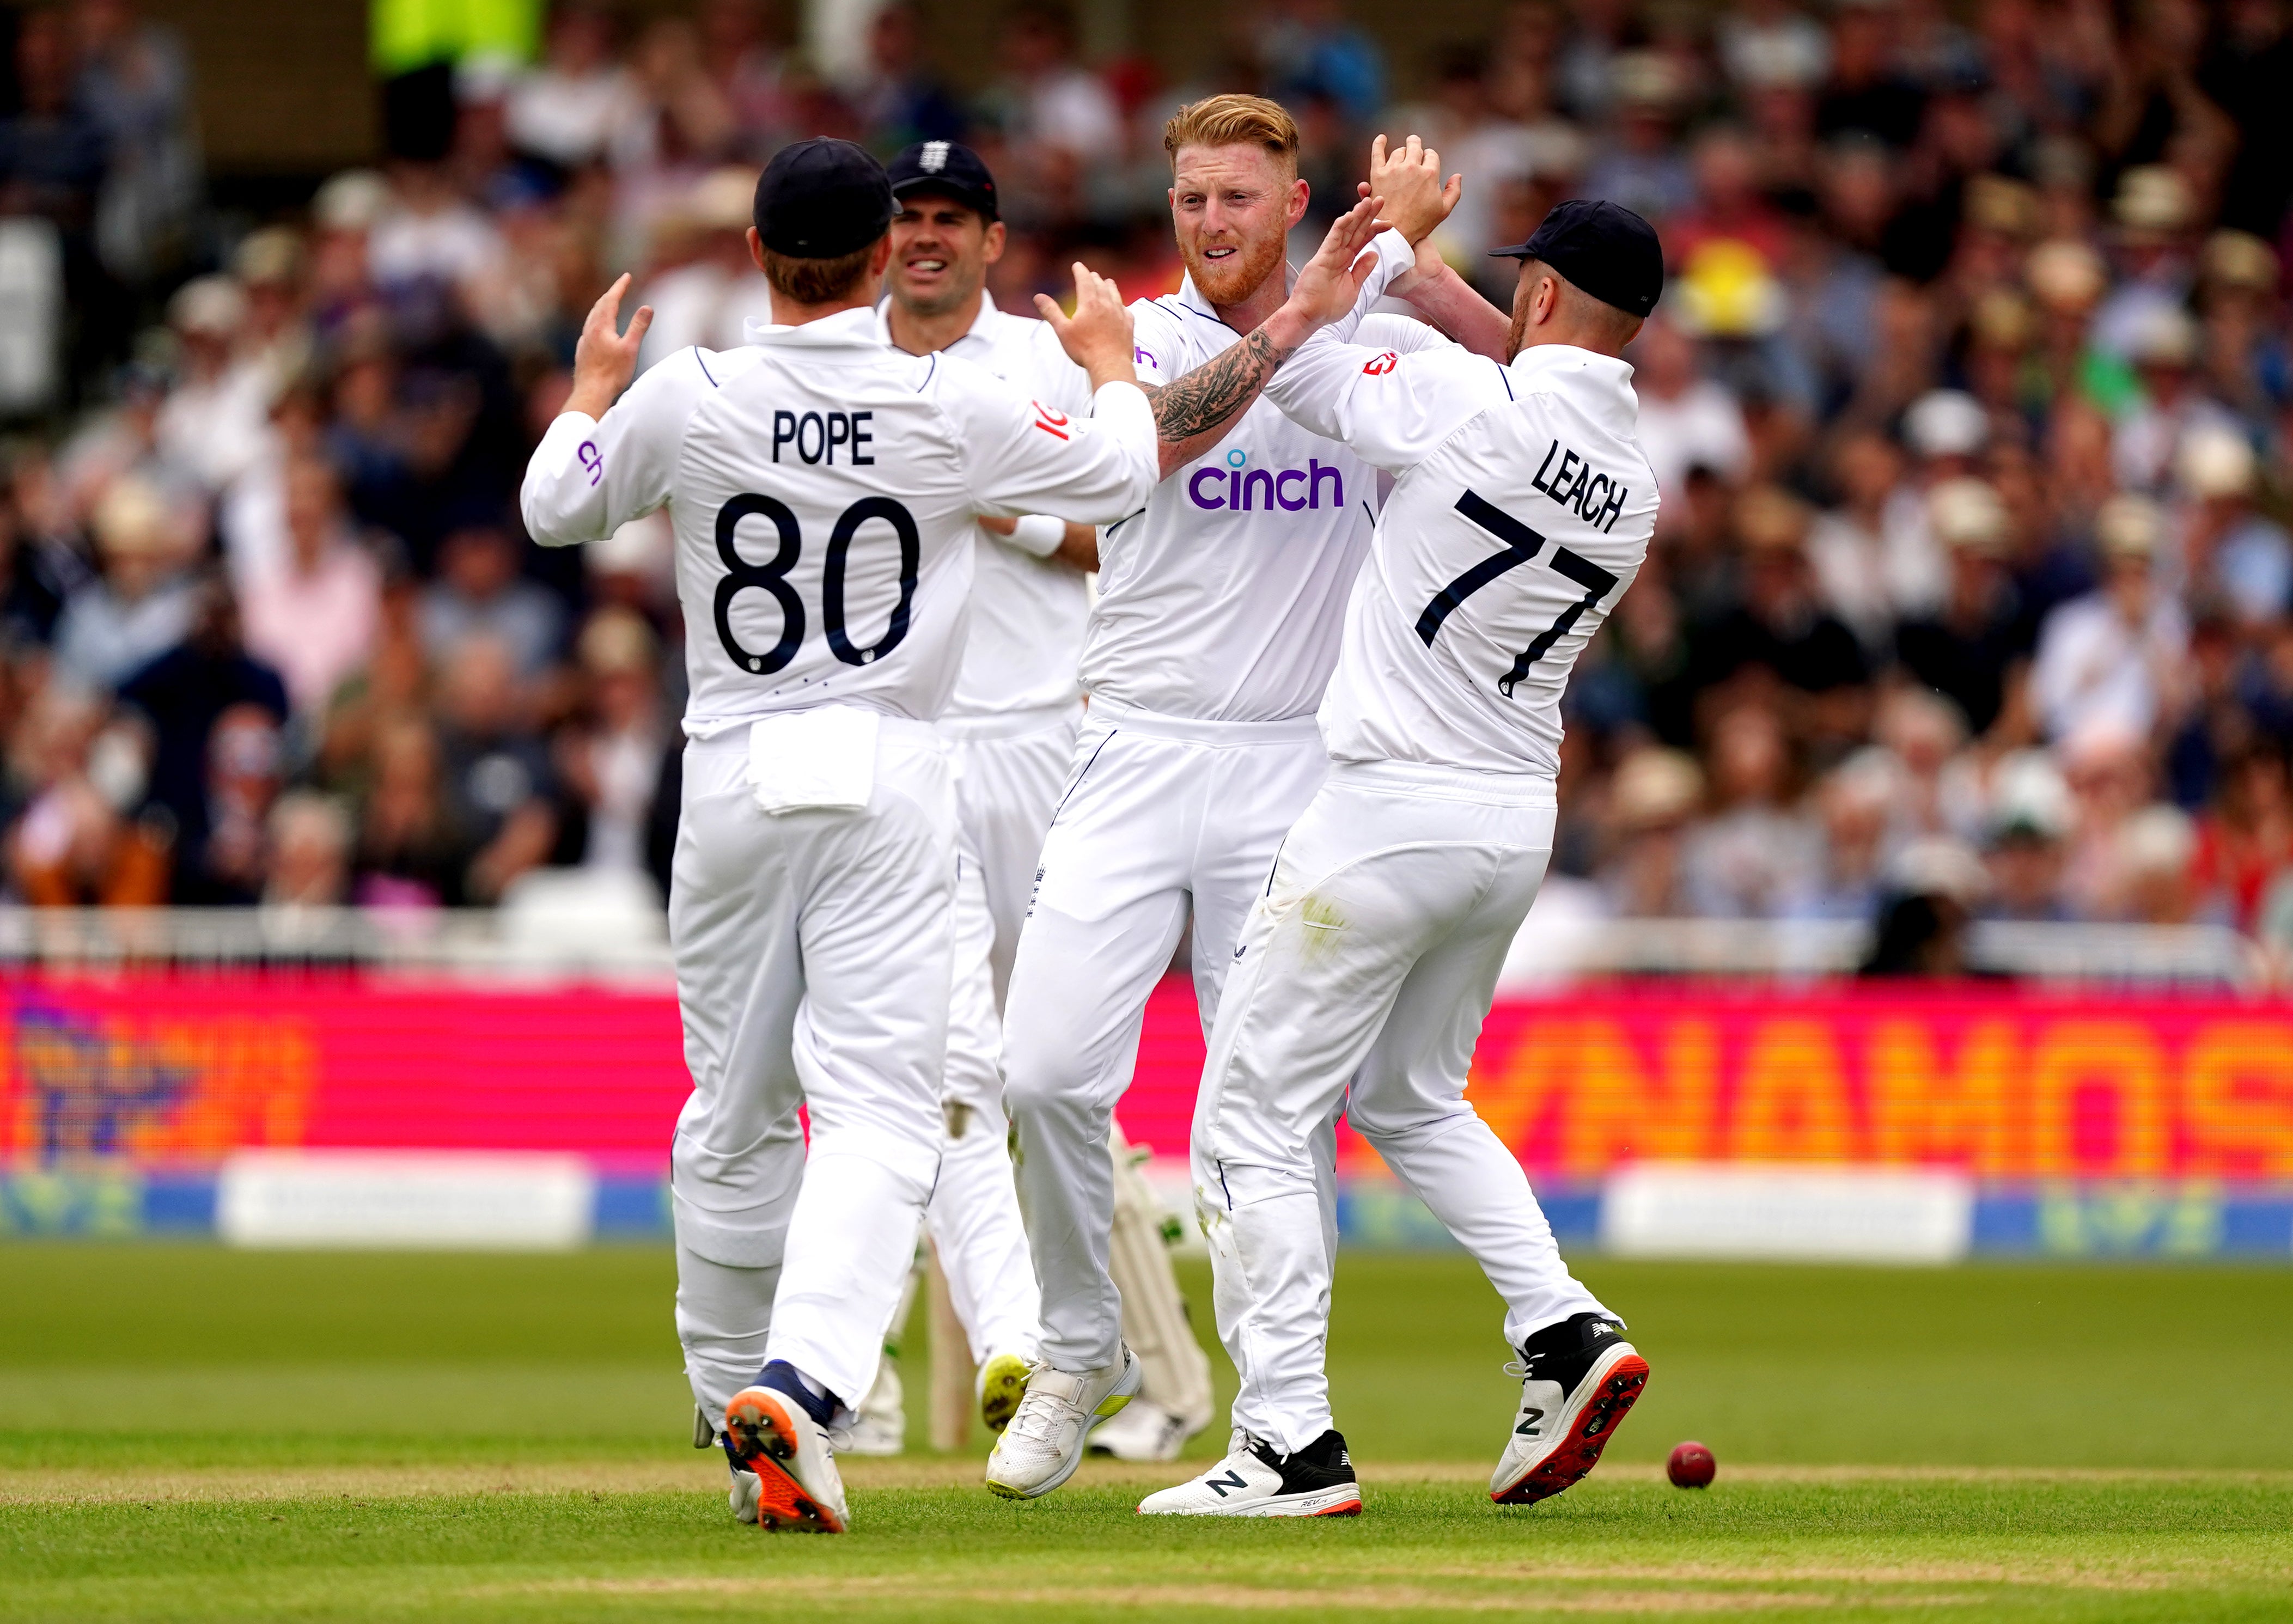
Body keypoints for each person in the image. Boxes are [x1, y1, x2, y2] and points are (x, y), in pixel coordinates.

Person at [519, 138, 1158, 1535]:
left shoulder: (691, 391)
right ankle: (802, 1387)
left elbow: (555, 506)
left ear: (755, 253)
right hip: (890, 769)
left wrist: (587, 396)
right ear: (881, 259)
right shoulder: (946, 399)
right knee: (881, 1109)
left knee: (731, 1103)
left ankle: (726, 1385)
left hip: (736, 767)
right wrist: (1109, 358)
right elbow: (1118, 475)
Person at [1141, 198, 1662, 1517]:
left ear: (1538, 295)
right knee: (1414, 1098)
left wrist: (1356, 263)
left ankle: (1286, 1445)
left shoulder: (1456, 407)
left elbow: (1293, 353)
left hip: (1384, 810)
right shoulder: (1631, 477)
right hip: (1508, 823)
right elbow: (1524, 373)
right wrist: (1423, 275)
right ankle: (1562, 1327)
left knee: (1249, 1121)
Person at [985, 106, 1473, 1501]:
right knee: (1044, 1073)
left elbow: (1530, 373)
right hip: (1132, 749)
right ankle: (1083, 1349)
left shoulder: (1373, 330)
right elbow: (1161, 448)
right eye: (1191, 195)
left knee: (1268, 1113)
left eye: (1238, 198)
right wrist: (1306, 309)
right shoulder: (1127, 340)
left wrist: (1413, 263)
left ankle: (1283, 1422)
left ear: (1297, 200)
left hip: (1298, 768)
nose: (1210, 221)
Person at [870, 138, 1213, 1458]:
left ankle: (1162, 1384)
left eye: (952, 219)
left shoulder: (1041, 359)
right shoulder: (846, 364)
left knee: (1043, 1077)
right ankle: (858, 1386)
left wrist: (991, 509)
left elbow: (1114, 532)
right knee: (886, 1067)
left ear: (992, 241)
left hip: (1034, 741)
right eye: (909, 218)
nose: (928, 238)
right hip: (897, 745)